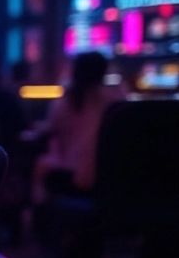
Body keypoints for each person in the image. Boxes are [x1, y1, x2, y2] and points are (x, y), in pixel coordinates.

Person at [33, 51, 124, 198]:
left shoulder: (65, 102)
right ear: (103, 71)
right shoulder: (116, 100)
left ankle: (34, 217)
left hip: (71, 175)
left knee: (40, 167)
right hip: (110, 179)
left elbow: (49, 129)